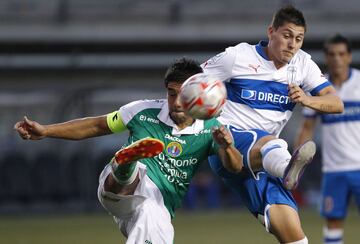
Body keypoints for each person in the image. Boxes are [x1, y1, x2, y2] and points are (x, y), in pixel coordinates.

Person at [14, 58, 243, 244]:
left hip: (151, 207)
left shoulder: (213, 128)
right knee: (144, 180)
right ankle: (126, 164)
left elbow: (235, 166)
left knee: (154, 221)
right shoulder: (142, 112)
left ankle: (128, 163)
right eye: (172, 93)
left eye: (183, 94)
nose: (176, 102)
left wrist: (227, 145)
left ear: (197, 95)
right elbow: (96, 125)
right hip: (115, 189)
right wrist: (45, 130)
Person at [202, 5, 344, 244]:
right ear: (271, 32)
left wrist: (307, 99)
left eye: (298, 39)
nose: (292, 44)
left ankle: (285, 169)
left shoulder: (302, 65)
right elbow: (193, 82)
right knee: (273, 143)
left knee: (295, 236)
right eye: (287, 35)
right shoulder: (238, 56)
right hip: (226, 144)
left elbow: (336, 102)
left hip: (264, 161)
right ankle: (287, 167)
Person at [295, 34, 360, 244]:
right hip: (333, 170)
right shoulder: (319, 89)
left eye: (341, 54)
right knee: (332, 225)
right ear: (326, 57)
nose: (337, 59)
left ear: (349, 57)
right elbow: (307, 127)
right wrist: (296, 162)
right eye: (332, 54)